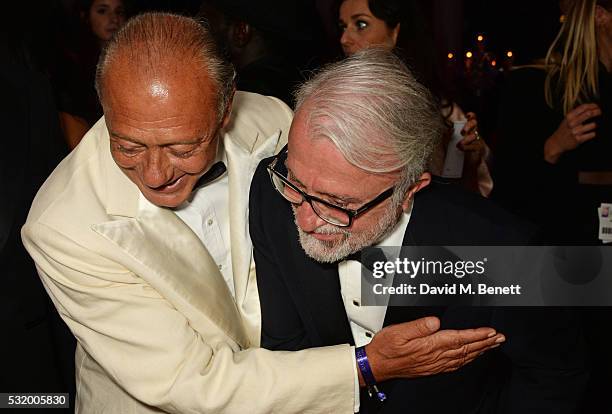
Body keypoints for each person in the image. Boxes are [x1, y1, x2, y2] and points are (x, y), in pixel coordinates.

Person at [22, 13, 503, 413]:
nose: (154, 173)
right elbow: (192, 382)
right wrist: (362, 366)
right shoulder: (61, 226)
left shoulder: (272, 120)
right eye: (127, 145)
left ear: (225, 108)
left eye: (182, 147)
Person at [250, 49, 589, 413]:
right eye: (296, 184)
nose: (304, 220)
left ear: (409, 189)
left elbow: (554, 376)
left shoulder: (503, 251)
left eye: (338, 205)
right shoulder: (272, 193)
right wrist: (366, 365)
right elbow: (284, 349)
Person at [337, 0, 493, 197]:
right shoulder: (336, 100)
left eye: (361, 24)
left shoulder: (439, 108)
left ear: (395, 32)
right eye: (343, 26)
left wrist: (469, 160)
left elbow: (459, 196)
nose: (344, 39)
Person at [493, 0, 611, 243]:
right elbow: (509, 188)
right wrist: (553, 147)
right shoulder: (538, 86)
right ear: (600, 16)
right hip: (564, 249)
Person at [55, 0, 127, 149]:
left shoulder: (134, 58)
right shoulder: (71, 66)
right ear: (85, 16)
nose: (113, 19)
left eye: (119, 12)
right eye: (102, 11)